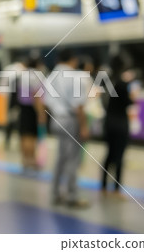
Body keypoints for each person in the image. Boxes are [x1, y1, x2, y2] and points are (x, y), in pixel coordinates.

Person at [45, 49, 89, 208]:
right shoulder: (76, 76)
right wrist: (84, 126)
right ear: (73, 60)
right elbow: (79, 106)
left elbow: (47, 102)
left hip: (56, 119)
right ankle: (72, 196)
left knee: (60, 158)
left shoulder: (51, 76)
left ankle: (55, 193)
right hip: (71, 119)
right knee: (72, 160)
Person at [101, 55, 135, 198]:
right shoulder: (122, 83)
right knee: (120, 155)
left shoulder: (106, 81)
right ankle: (116, 187)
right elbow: (128, 102)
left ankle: (103, 185)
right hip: (121, 122)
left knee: (109, 153)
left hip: (108, 121)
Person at [17, 57, 46, 171]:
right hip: (32, 108)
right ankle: (32, 160)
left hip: (23, 108)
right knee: (32, 136)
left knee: (24, 135)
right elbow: (36, 96)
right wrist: (41, 113)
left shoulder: (23, 75)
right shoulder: (36, 76)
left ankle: (25, 160)